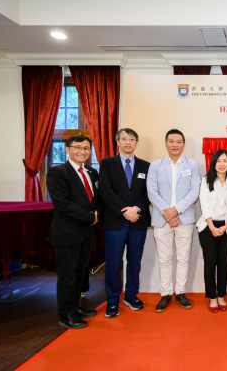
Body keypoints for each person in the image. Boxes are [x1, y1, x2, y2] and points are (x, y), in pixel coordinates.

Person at [46, 135, 100, 329]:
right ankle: (66, 314)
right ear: (67, 149)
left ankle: (75, 307)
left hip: (86, 233)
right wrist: (90, 217)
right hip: (66, 234)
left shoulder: (92, 172)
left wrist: (97, 214)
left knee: (80, 273)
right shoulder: (58, 173)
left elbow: (96, 200)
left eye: (86, 148)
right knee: (67, 275)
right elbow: (63, 204)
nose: (82, 152)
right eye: (78, 147)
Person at [98, 128, 151, 318]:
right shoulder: (107, 164)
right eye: (124, 139)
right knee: (113, 263)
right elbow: (105, 191)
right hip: (115, 221)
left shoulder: (146, 166)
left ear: (136, 142)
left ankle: (131, 295)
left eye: (131, 139)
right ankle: (112, 300)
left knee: (134, 262)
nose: (128, 142)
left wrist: (136, 209)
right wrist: (125, 211)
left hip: (138, 220)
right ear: (117, 142)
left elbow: (149, 192)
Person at [147, 129, 201, 313]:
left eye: (179, 141)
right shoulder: (156, 165)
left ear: (183, 145)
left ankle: (181, 292)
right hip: (162, 219)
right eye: (171, 141)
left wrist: (176, 211)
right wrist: (168, 214)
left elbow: (195, 191)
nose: (175, 144)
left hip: (184, 218)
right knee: (165, 259)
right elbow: (151, 191)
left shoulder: (192, 164)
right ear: (166, 144)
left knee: (184, 258)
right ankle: (165, 293)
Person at [196, 150, 227, 313]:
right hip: (208, 227)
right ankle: (212, 297)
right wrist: (212, 227)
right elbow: (204, 204)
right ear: (213, 163)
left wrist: (226, 226)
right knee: (210, 264)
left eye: (225, 161)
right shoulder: (206, 180)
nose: (222, 164)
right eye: (218, 161)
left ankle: (221, 295)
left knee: (224, 265)